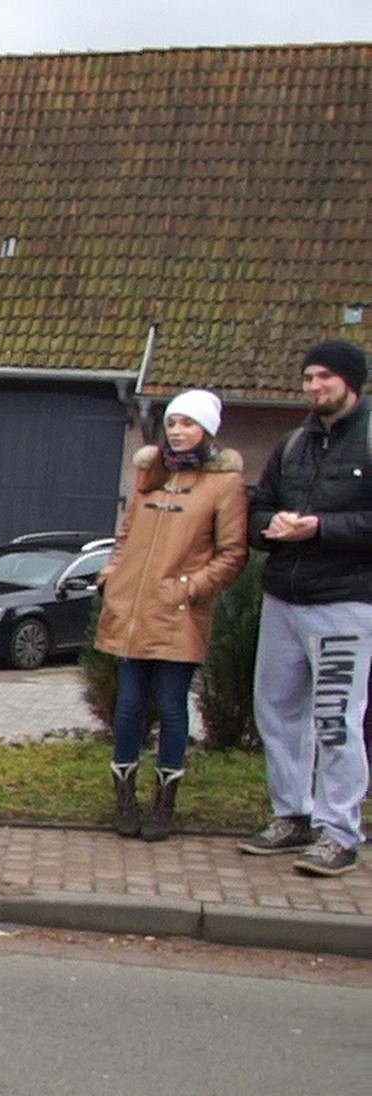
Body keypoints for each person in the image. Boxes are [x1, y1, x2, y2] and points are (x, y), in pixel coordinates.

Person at [239, 339, 372, 877]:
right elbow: (259, 504)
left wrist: (320, 527)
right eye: (308, 377)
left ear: (351, 382)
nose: (314, 387)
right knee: (277, 713)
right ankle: (290, 815)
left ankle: (339, 832)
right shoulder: (293, 443)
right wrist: (266, 528)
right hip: (283, 598)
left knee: (335, 721)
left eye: (324, 377)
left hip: (344, 603)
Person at [94, 389, 247, 842]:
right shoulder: (151, 474)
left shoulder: (224, 484)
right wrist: (115, 572)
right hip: (132, 608)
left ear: (207, 430)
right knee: (128, 707)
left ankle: (165, 805)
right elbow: (127, 533)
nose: (178, 432)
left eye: (188, 424)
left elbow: (232, 553)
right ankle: (124, 797)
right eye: (173, 423)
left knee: (173, 709)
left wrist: (189, 588)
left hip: (178, 613)